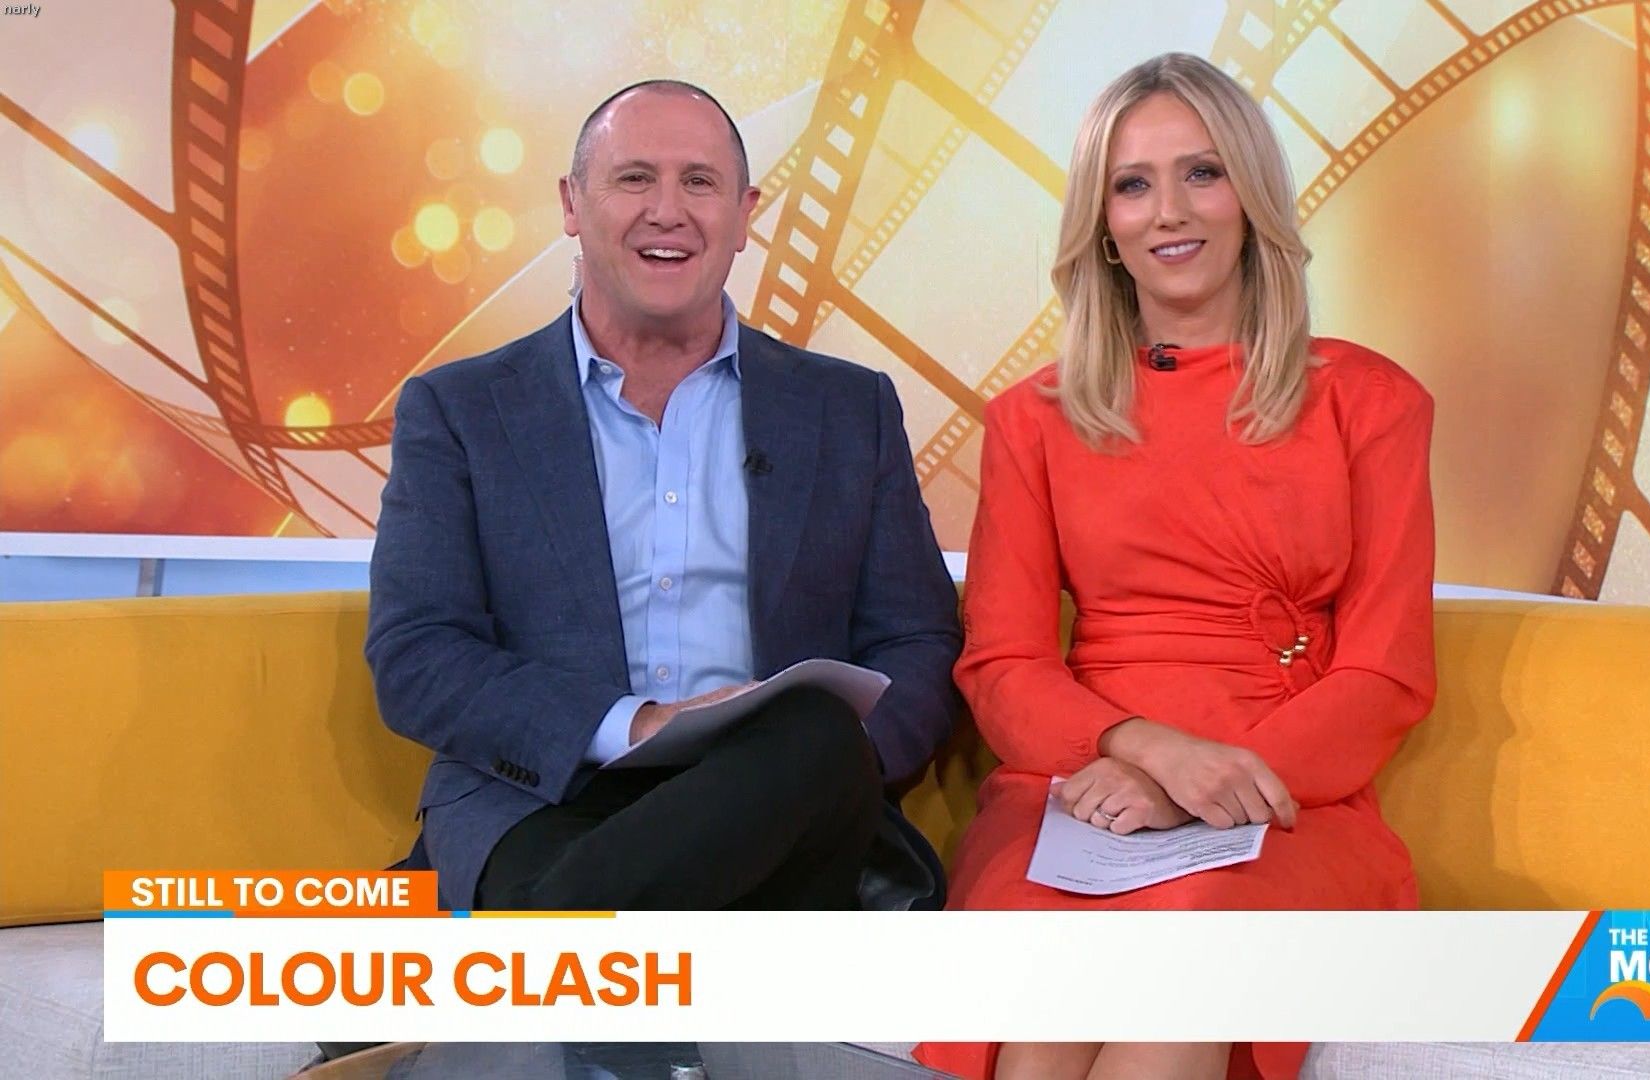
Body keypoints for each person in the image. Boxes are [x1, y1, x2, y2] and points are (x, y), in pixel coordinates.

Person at [915, 53, 1436, 1080]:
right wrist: (1146, 755)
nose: (1169, 212)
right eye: (1132, 184)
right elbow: (1003, 666)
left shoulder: (1370, 402)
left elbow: (1385, 674)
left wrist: (1202, 787)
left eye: (1202, 172)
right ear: (1103, 226)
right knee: (1041, 1023)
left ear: (1251, 193)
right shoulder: (1032, 420)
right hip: (1080, 785)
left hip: (1285, 794)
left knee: (1184, 964)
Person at [365, 80, 962, 914]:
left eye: (700, 182)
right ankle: (584, 934)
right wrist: (638, 724)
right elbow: (418, 654)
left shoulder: (847, 408)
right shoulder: (461, 411)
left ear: (744, 215)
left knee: (814, 730)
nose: (668, 211)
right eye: (635, 178)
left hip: (781, 799)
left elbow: (917, 638)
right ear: (572, 204)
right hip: (546, 801)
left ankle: (550, 950)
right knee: (608, 880)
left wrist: (842, 765)